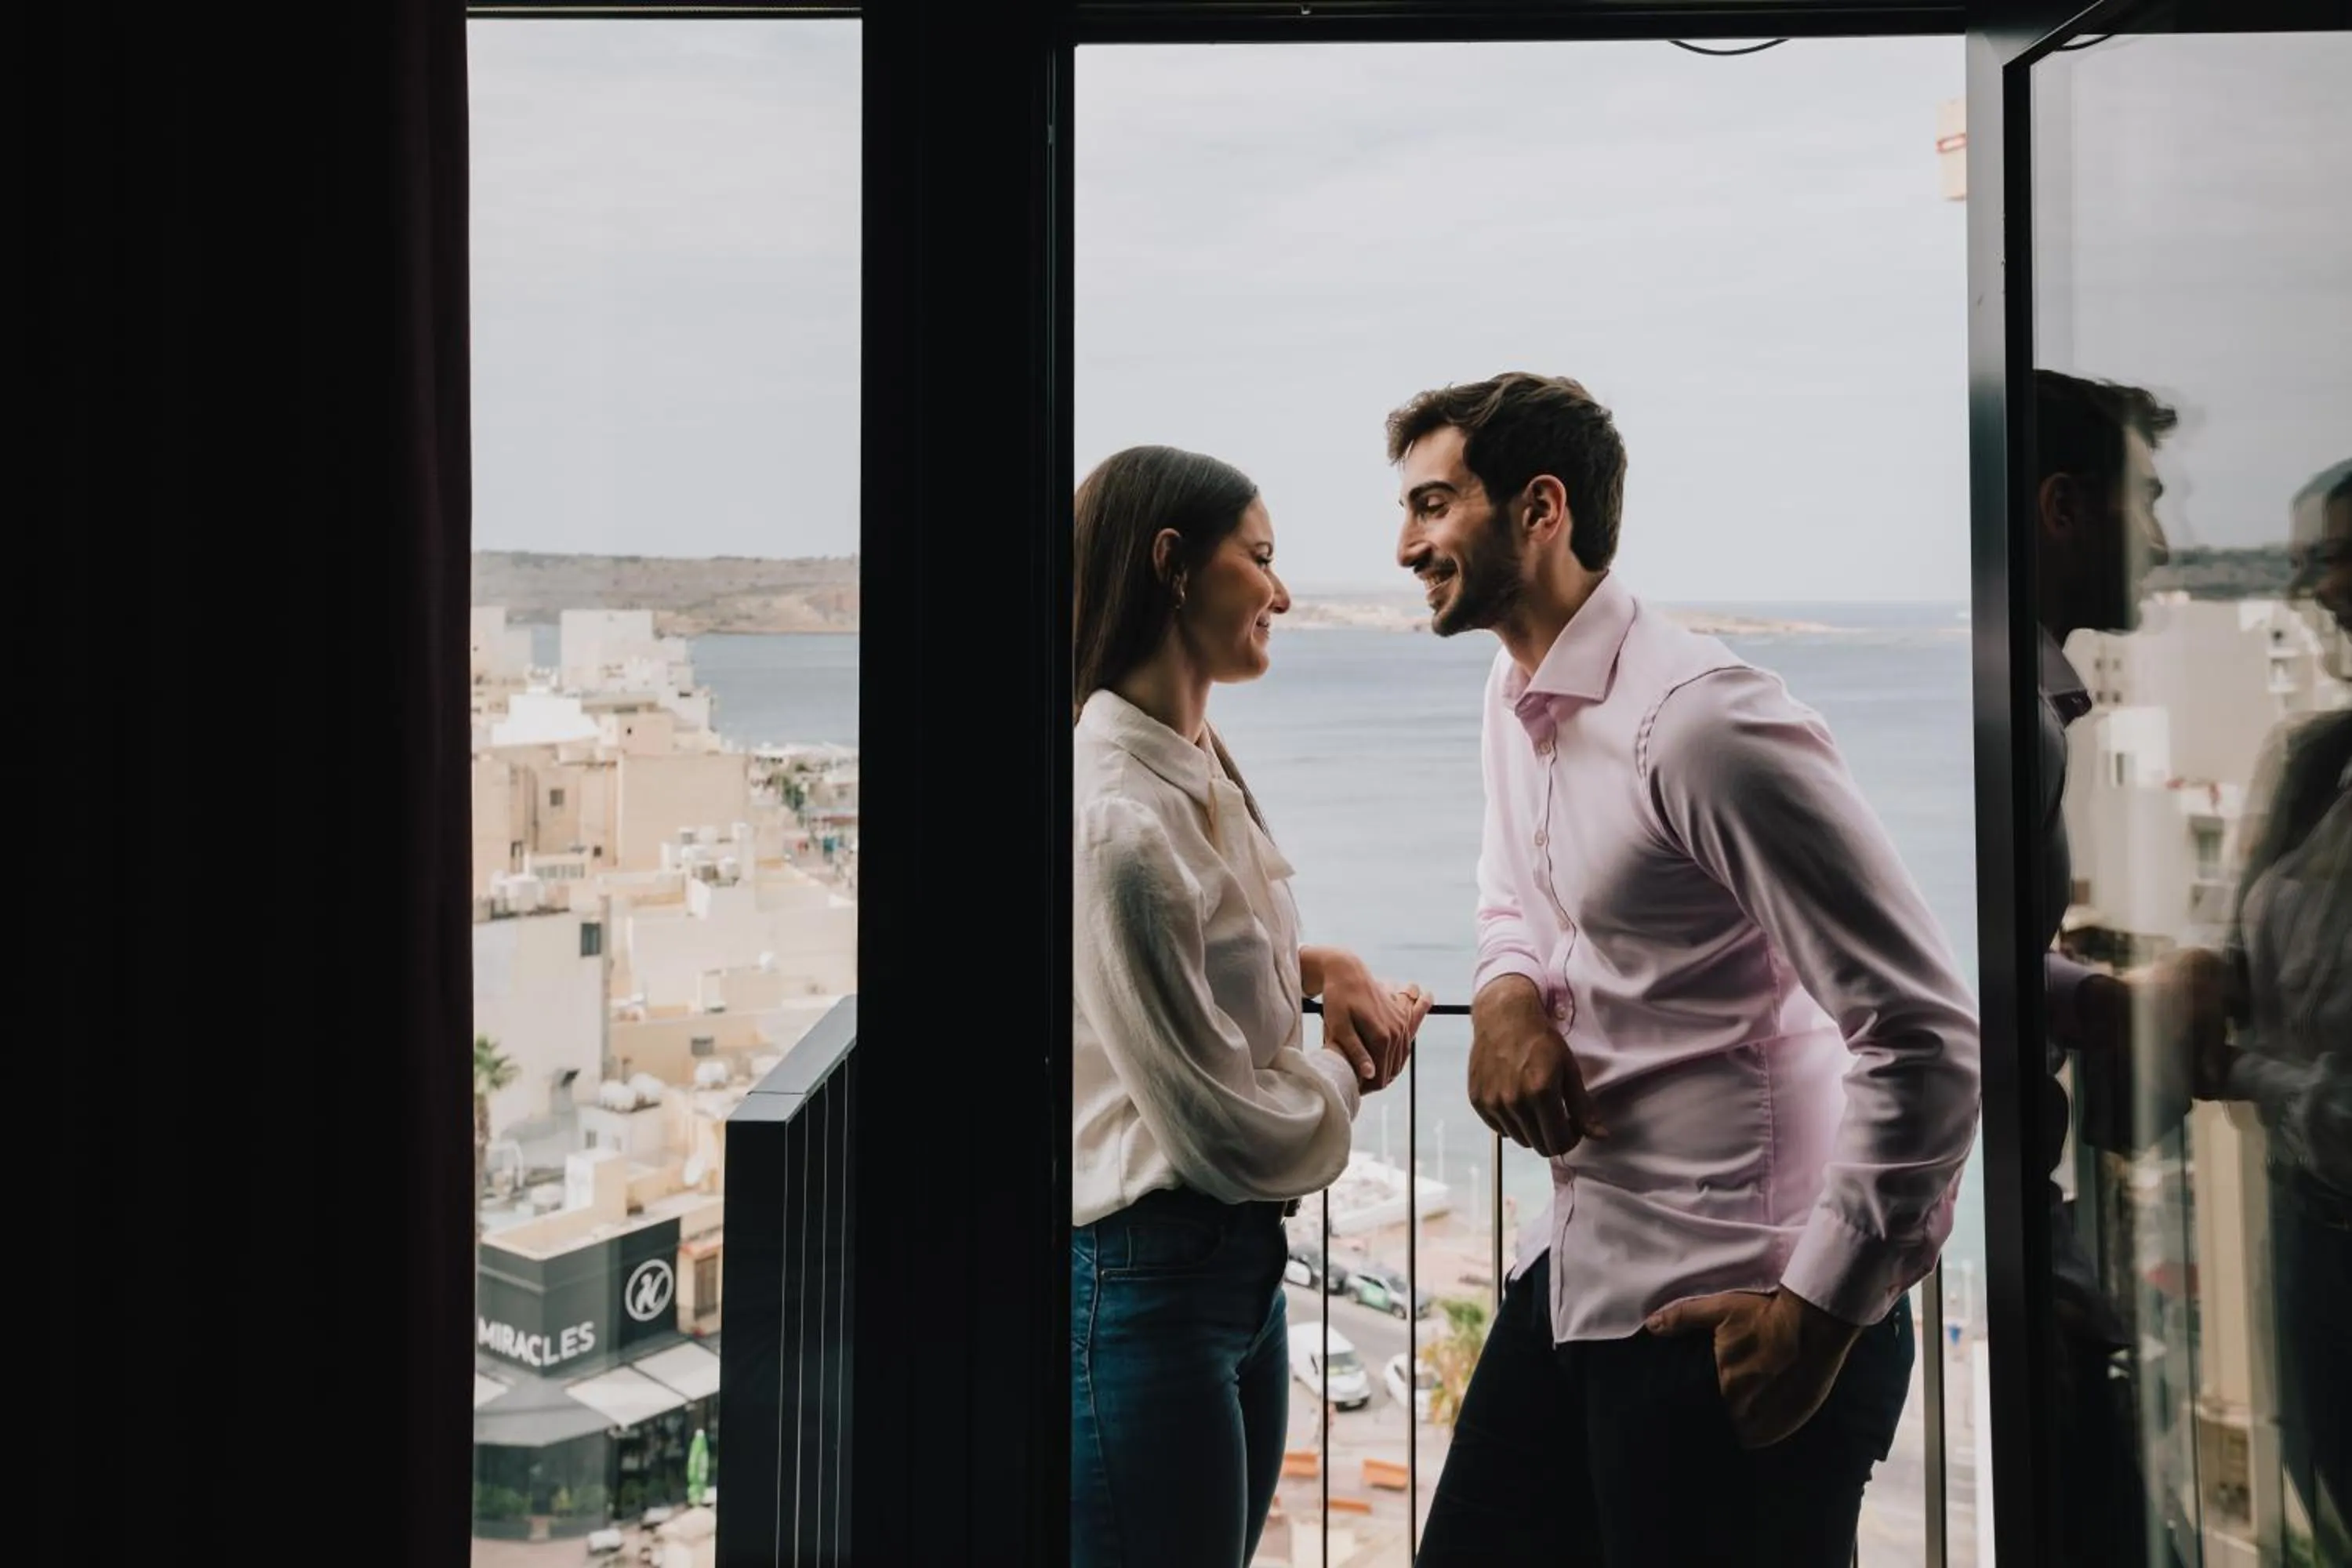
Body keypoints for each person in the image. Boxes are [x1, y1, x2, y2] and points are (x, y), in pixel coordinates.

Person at [1390, 373, 1981, 1567]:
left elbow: (1924, 1033)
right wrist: (1505, 990)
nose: (1405, 544)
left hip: (1733, 1313)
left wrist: (1818, 1316)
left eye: (1435, 504)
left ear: (1540, 508)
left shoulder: (1700, 726)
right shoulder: (1515, 694)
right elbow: (1513, 890)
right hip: (1577, 1270)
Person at [1068, 445, 1432, 1568]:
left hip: (1236, 1281)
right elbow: (1223, 1129)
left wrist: (1326, 970)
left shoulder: (1195, 762)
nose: (1281, 593)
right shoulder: (1119, 822)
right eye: (1261, 560)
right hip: (1145, 1285)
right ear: (1174, 565)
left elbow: (1211, 956)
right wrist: (1347, 1064)